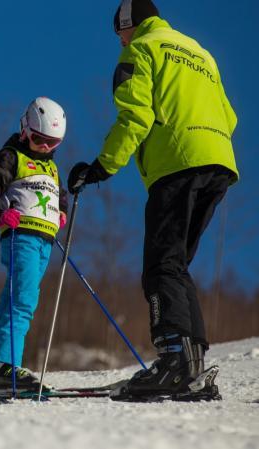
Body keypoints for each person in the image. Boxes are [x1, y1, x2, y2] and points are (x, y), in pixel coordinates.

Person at [67, 0, 238, 399]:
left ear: (129, 25)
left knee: (161, 265)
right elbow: (229, 115)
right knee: (176, 264)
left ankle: (174, 360)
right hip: (218, 161)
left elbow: (135, 116)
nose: (120, 41)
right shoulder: (200, 52)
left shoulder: (141, 49)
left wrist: (101, 167)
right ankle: (192, 365)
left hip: (176, 164)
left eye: (120, 33)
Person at [0, 97, 68, 392]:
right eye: (39, 140)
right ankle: (3, 365)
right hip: (20, 235)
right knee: (23, 302)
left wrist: (62, 210)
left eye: (52, 143)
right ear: (25, 129)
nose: (45, 148)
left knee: (8, 304)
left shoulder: (51, 168)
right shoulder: (13, 155)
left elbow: (59, 194)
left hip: (45, 242)